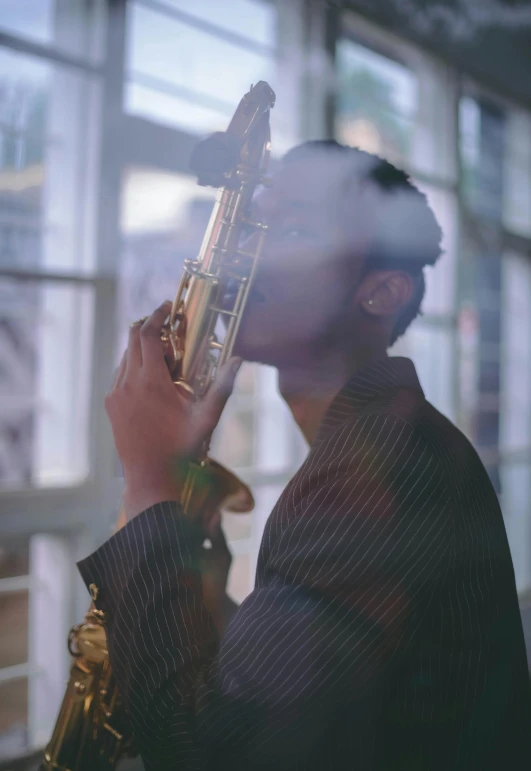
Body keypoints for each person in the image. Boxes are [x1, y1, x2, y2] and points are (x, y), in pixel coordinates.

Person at [78, 141, 531, 770]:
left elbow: (210, 752)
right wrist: (196, 571)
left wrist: (150, 482)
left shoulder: (390, 463)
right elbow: (302, 682)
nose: (244, 256)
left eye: (291, 230)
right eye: (253, 227)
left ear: (380, 293)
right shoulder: (382, 441)